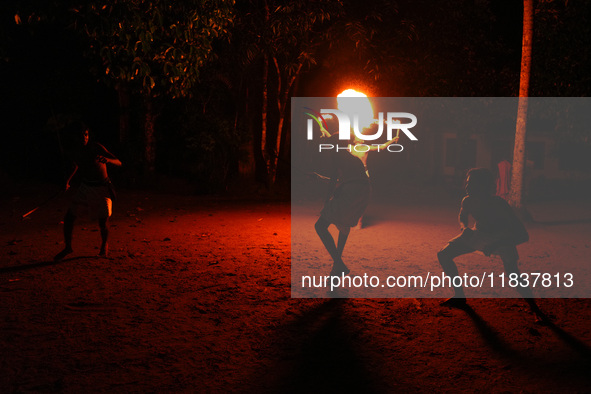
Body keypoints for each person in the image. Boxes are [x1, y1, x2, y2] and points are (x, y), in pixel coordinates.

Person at [437, 168, 546, 322]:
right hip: (479, 233)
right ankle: (459, 296)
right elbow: (462, 215)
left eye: (472, 183)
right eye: (467, 183)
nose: (467, 187)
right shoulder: (467, 200)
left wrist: (497, 243)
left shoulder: (499, 204)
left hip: (501, 238)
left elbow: (523, 235)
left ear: (483, 186)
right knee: (444, 254)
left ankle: (536, 310)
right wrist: (464, 228)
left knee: (514, 276)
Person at [315, 126, 399, 276]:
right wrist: (320, 178)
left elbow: (335, 179)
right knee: (344, 225)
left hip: (353, 189)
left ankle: (338, 264)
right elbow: (346, 178)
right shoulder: (351, 156)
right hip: (365, 190)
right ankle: (337, 266)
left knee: (320, 226)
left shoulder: (339, 154)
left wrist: (326, 200)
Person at [54, 122, 122, 261]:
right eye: (81, 135)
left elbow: (118, 162)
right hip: (86, 187)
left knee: (103, 221)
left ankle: (104, 246)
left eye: (86, 135)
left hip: (102, 187)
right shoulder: (75, 150)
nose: (84, 138)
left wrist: (107, 160)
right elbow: (76, 165)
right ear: (75, 138)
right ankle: (68, 247)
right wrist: (67, 181)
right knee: (69, 217)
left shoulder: (96, 147)